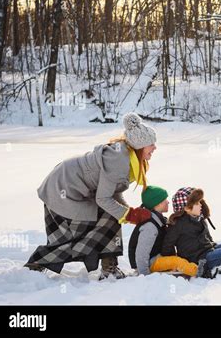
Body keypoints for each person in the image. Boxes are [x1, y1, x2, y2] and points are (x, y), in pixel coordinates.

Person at [25, 113, 157, 280]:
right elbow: (103, 199)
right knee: (77, 233)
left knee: (108, 218)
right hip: (63, 190)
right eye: (151, 144)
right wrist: (129, 214)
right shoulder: (119, 161)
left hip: (70, 187)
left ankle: (109, 268)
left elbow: (112, 192)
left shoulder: (126, 156)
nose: (155, 148)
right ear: (140, 145)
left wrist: (129, 213)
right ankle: (35, 266)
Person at [128, 185, 199, 277]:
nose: (168, 202)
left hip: (157, 257)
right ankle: (198, 271)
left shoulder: (159, 219)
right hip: (150, 262)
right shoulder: (150, 226)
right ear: (157, 204)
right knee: (176, 262)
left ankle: (190, 267)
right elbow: (141, 253)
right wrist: (144, 275)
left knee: (179, 259)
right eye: (165, 200)